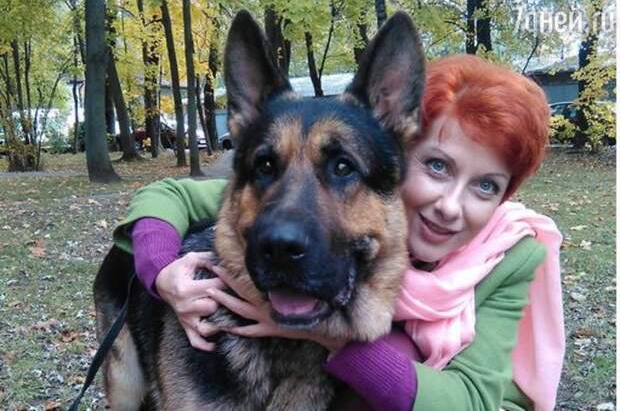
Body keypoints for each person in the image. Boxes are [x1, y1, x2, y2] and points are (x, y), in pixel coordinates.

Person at [113, 55, 565, 411]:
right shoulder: (302, 189)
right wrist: (162, 273)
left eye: (487, 186)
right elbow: (174, 194)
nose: (449, 205)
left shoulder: (509, 256)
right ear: (403, 152)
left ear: (505, 196)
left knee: (396, 356)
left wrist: (329, 336)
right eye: (437, 166)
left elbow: (470, 401)